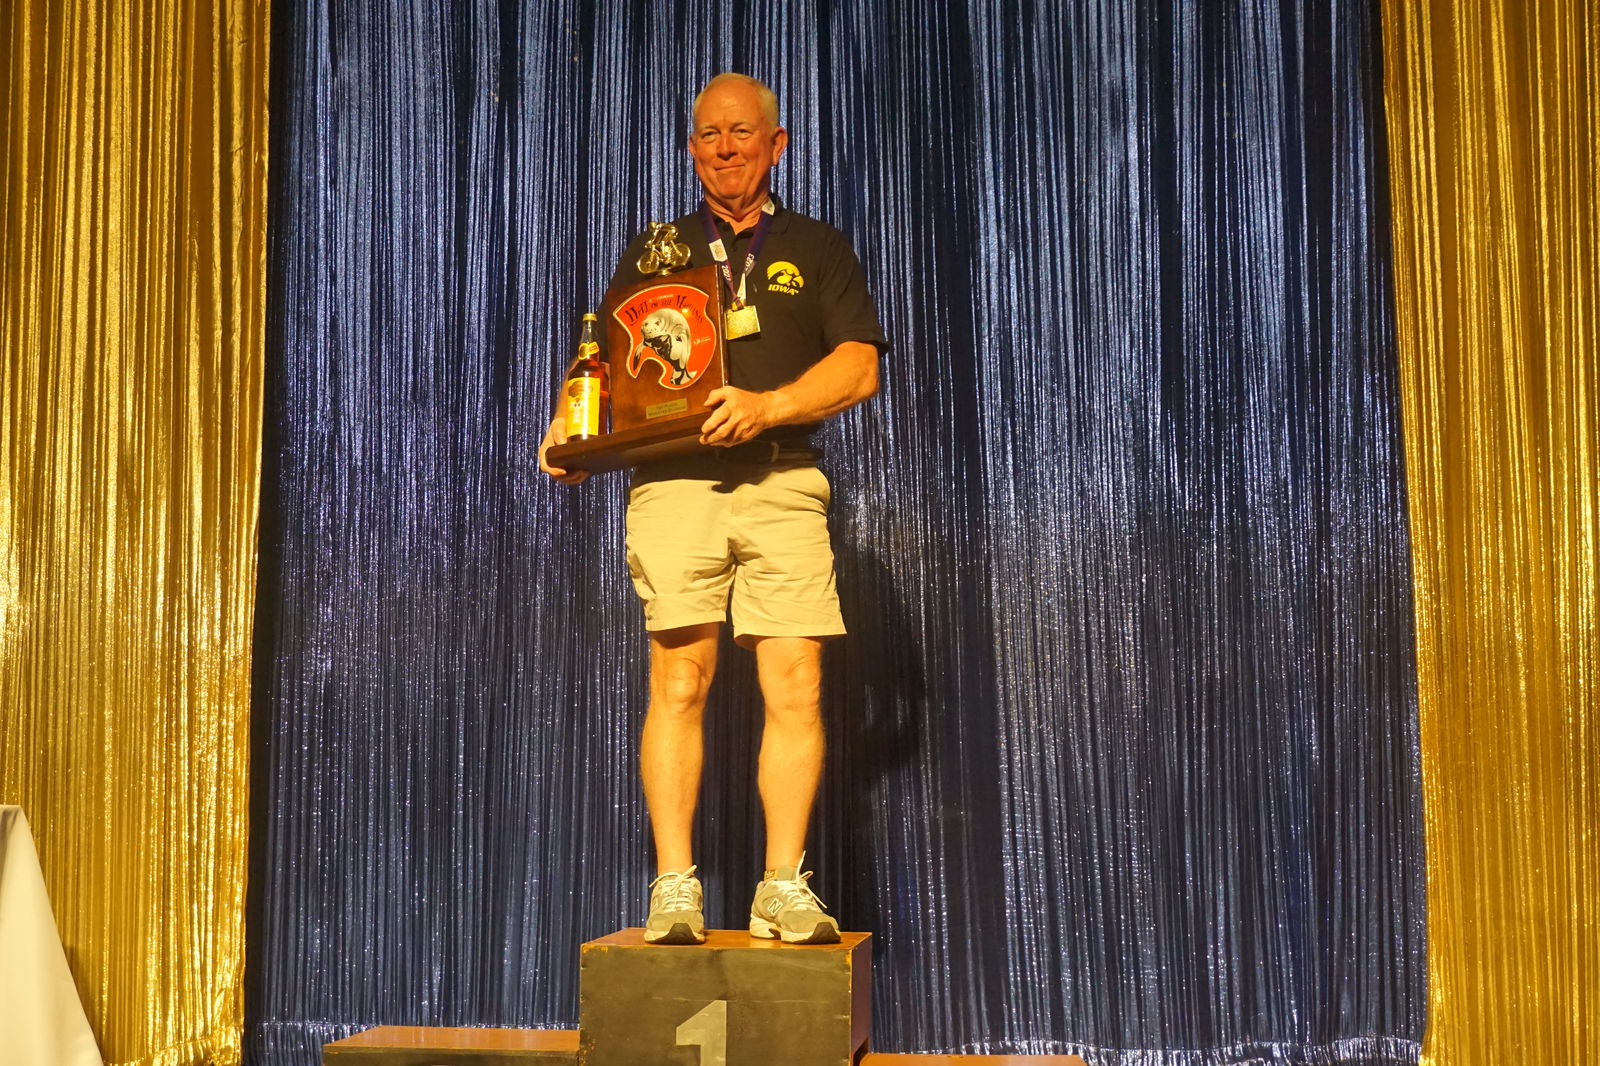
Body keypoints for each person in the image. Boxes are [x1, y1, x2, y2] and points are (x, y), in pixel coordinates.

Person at [539, 73, 886, 946]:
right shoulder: (655, 251)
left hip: (782, 479)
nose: (724, 148)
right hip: (675, 485)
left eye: (742, 133)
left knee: (797, 685)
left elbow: (860, 368)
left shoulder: (818, 246)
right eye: (707, 135)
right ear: (690, 149)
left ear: (778, 143)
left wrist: (767, 407)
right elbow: (609, 360)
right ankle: (674, 887)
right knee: (679, 680)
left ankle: (781, 885)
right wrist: (570, 431)